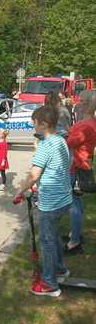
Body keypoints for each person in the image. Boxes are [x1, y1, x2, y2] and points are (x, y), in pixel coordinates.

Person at [14, 106, 72, 297]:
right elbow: (62, 165)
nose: (33, 125)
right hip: (64, 198)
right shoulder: (61, 140)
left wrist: (20, 190)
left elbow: (33, 175)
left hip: (51, 202)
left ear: (44, 124)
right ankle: (61, 269)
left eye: (35, 122)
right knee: (54, 236)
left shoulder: (46, 145)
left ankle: (49, 284)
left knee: (47, 242)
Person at [65, 96, 96, 255]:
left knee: (74, 205)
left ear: (90, 105)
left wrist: (65, 134)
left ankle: (74, 242)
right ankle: (75, 234)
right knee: (77, 202)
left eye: (83, 101)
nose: (79, 103)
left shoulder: (86, 125)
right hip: (80, 165)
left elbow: (69, 142)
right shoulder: (89, 123)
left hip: (76, 167)